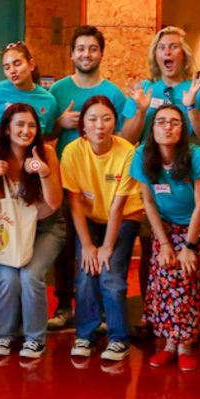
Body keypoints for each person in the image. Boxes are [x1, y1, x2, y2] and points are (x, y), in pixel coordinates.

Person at [48, 26, 127, 329]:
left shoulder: (113, 93)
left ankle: (104, 309)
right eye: (80, 48)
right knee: (68, 244)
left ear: (101, 54)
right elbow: (43, 133)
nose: (86, 54)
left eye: (92, 48)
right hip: (66, 179)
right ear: (71, 53)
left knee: (102, 247)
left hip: (105, 184)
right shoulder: (57, 91)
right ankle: (64, 304)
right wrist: (59, 121)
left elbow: (121, 138)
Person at [134, 105, 200, 371]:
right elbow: (148, 201)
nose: (167, 127)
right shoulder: (142, 155)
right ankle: (169, 343)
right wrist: (165, 244)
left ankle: (184, 345)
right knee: (164, 271)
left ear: (183, 130)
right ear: (152, 128)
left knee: (187, 272)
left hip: (199, 219)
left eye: (174, 122)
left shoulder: (196, 156)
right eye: (161, 122)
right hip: (166, 220)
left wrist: (190, 246)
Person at [61, 96, 144, 361]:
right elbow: (74, 204)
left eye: (106, 119)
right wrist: (87, 245)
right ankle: (85, 333)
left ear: (115, 123)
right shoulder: (72, 151)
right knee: (86, 271)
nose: (99, 126)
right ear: (82, 124)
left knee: (110, 273)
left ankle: (119, 337)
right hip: (88, 218)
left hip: (123, 217)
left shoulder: (126, 152)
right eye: (92, 119)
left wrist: (107, 246)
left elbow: (119, 207)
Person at [0, 103, 65, 359]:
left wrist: (43, 171)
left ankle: (34, 339)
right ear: (7, 129)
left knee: (30, 275)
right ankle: (5, 336)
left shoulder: (46, 152)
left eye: (32, 125)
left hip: (47, 227)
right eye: (19, 124)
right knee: (6, 278)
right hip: (12, 227)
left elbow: (54, 203)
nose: (26, 130)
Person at [122, 26, 200, 148]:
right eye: (161, 48)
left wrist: (191, 108)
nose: (167, 52)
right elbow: (127, 140)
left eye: (173, 47)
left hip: (188, 161)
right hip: (150, 161)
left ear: (184, 54)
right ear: (155, 56)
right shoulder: (141, 90)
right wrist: (140, 111)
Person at [0, 41, 58, 152]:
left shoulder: (48, 101)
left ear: (31, 64)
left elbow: (45, 137)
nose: (12, 71)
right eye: (7, 67)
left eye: (17, 64)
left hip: (28, 163)